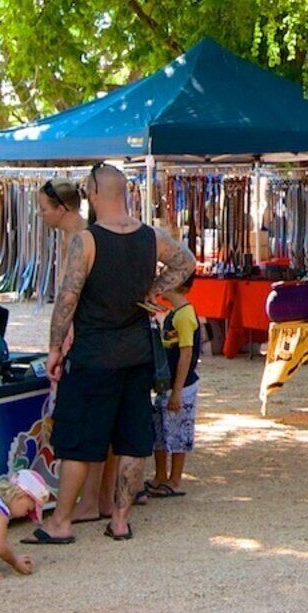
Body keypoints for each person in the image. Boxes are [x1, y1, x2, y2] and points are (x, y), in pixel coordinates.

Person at [49, 160, 194, 541]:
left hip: (95, 355)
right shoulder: (150, 236)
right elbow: (186, 261)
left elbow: (68, 297)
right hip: (137, 352)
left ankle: (61, 522)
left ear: (94, 194)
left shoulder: (88, 240)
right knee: (133, 438)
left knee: (80, 441)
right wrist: (154, 289)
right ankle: (120, 519)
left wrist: (53, 347)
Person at [24, 180, 89, 544]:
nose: (40, 214)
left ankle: (81, 502)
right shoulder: (74, 236)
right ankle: (90, 499)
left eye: (44, 208)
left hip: (77, 339)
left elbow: (72, 295)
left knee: (78, 422)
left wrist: (61, 343)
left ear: (61, 208)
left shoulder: (81, 237)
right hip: (74, 336)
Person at [145, 295, 200, 499]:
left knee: (178, 432)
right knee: (160, 431)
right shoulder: (173, 313)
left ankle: (175, 479)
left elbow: (186, 354)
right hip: (166, 384)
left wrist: (177, 391)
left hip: (181, 385)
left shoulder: (184, 315)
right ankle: (160, 475)